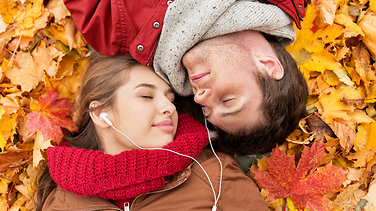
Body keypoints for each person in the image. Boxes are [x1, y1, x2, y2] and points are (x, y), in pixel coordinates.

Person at [50, 0, 308, 154]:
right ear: (269, 65)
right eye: (228, 101)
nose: (201, 99)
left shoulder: (110, 26)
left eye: (207, 111)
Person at [35, 54, 269, 210]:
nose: (169, 108)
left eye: (170, 99)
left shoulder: (213, 176)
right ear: (100, 114)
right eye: (146, 96)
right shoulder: (61, 203)